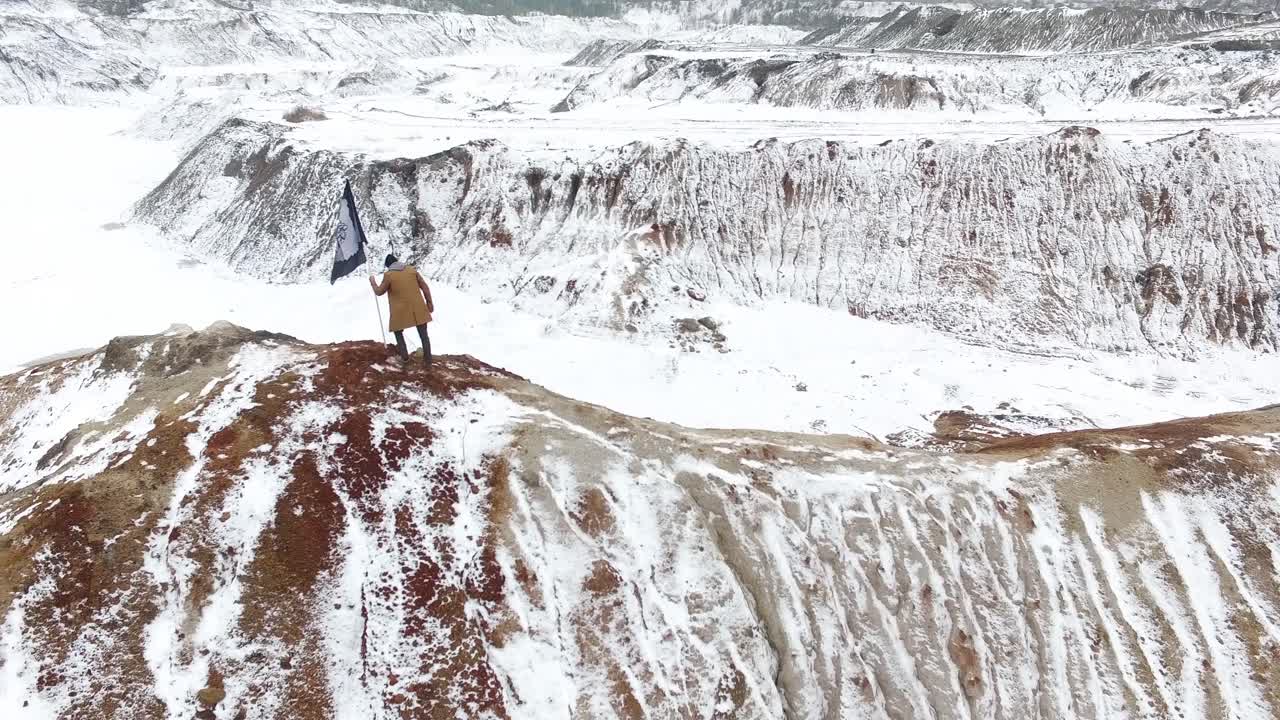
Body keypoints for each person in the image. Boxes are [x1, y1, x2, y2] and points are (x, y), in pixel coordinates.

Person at [369, 254, 434, 366]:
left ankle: (405, 358)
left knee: (398, 332)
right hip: (417, 308)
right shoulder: (412, 270)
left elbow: (379, 292)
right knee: (424, 335)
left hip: (400, 311)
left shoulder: (389, 275)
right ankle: (428, 360)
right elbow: (425, 287)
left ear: (388, 265)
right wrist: (429, 302)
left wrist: (373, 282)